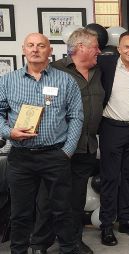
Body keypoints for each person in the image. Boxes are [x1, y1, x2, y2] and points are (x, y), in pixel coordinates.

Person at [0, 32, 83, 254]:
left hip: (55, 155)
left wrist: (67, 151)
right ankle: (19, 251)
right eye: (31, 45)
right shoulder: (7, 81)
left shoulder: (66, 81)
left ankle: (68, 249)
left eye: (41, 45)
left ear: (50, 51)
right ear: (23, 50)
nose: (35, 49)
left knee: (62, 209)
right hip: (21, 158)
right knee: (20, 213)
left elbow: (76, 116)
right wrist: (9, 132)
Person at [30, 28, 104, 254]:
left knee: (76, 200)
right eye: (95, 47)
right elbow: (38, 106)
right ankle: (39, 243)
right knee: (48, 199)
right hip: (58, 148)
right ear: (81, 48)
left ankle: (72, 242)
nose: (99, 51)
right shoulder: (54, 71)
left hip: (87, 146)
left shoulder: (98, 71)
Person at [97, 31, 129, 246]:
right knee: (110, 178)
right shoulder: (106, 66)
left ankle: (126, 220)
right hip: (112, 128)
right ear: (119, 49)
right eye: (126, 47)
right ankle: (107, 226)